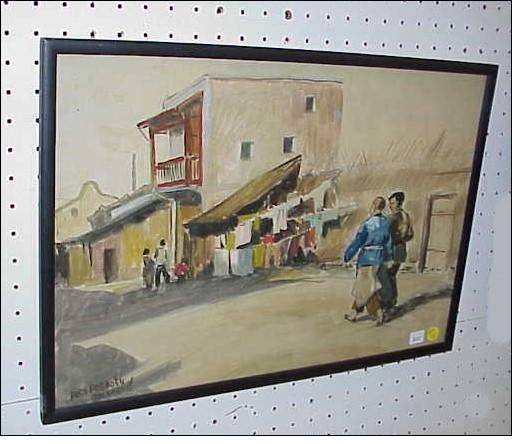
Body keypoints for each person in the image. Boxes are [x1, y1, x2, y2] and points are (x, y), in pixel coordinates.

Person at [342, 196, 393, 326]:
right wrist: (388, 258)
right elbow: (389, 243)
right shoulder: (386, 223)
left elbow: (358, 241)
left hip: (367, 259)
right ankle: (354, 313)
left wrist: (348, 255)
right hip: (379, 258)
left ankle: (378, 314)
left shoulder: (367, 224)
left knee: (365, 289)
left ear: (373, 206)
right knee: (367, 287)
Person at [387, 191, 414, 311]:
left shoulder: (393, 217)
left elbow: (385, 234)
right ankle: (392, 302)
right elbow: (410, 235)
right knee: (391, 276)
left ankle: (390, 303)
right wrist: (402, 238)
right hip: (401, 250)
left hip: (393, 250)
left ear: (399, 203)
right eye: (390, 203)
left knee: (388, 276)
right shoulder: (405, 215)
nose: (390, 205)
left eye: (393, 203)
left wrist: (395, 238)